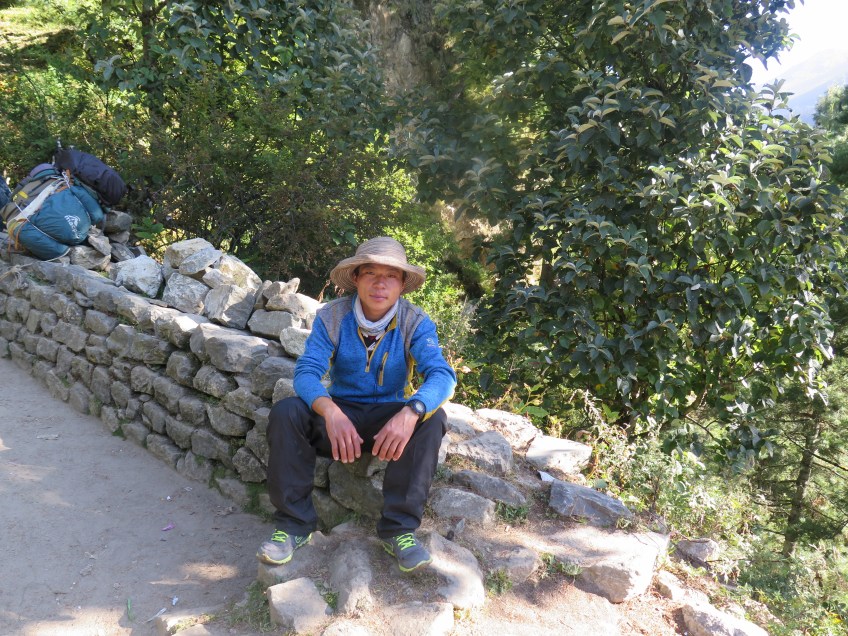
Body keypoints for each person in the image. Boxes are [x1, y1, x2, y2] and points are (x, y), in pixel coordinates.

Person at [258, 236, 457, 572]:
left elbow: (442, 375)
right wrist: (329, 410)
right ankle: (293, 526)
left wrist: (412, 411)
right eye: (370, 273)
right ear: (356, 278)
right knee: (287, 412)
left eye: (391, 276)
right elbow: (307, 372)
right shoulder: (333, 316)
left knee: (434, 419)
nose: (380, 284)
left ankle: (399, 531)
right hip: (341, 418)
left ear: (402, 284)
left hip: (388, 421)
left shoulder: (415, 322)